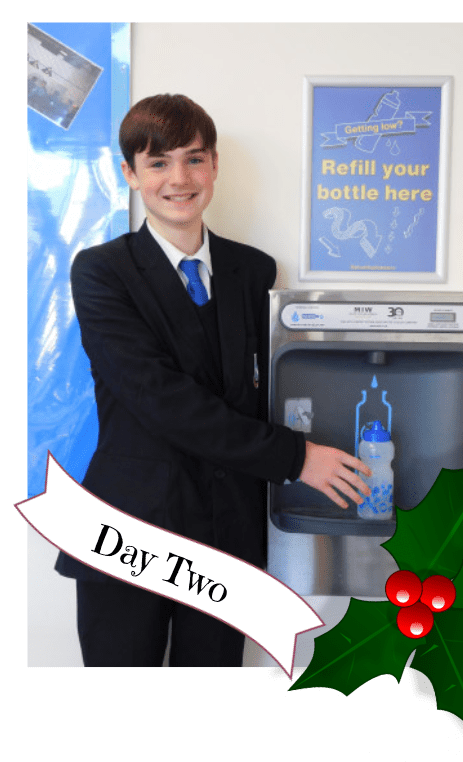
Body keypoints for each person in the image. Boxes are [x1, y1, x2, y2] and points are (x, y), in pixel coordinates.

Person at [55, 94, 371, 667]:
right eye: (158, 163)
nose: (179, 178)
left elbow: (261, 389)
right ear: (129, 174)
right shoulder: (102, 272)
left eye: (194, 159)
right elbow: (159, 399)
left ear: (215, 165)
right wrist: (296, 457)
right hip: (131, 528)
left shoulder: (254, 271)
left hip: (227, 528)